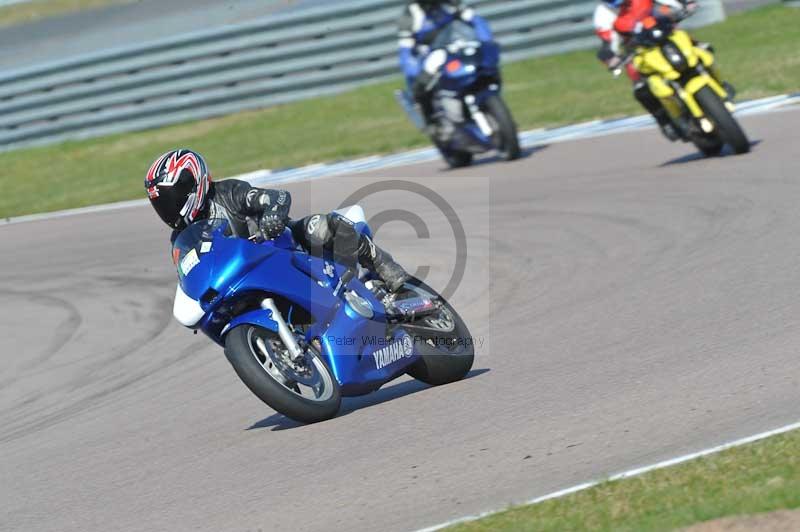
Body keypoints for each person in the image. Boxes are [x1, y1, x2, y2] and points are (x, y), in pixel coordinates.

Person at [145, 149, 410, 292]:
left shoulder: (229, 193)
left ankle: (386, 268)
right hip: (247, 279)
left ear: (195, 183)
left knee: (321, 226)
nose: (170, 208)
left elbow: (277, 197)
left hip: (286, 247)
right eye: (162, 203)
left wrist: (272, 215)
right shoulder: (179, 240)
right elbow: (188, 275)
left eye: (173, 197)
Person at [397, 0, 494, 127]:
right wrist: (414, 73)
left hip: (459, 47)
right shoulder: (410, 15)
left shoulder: (451, 3)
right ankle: (433, 122)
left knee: (486, 64)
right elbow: (406, 51)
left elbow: (476, 21)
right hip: (433, 56)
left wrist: (486, 41)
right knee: (421, 88)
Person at [593, 0, 679, 140]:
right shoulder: (602, 14)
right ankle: (664, 120)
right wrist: (611, 57)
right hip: (638, 50)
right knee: (640, 86)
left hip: (665, 34)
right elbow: (608, 43)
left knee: (697, 47)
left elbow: (672, 4)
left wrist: (683, 5)